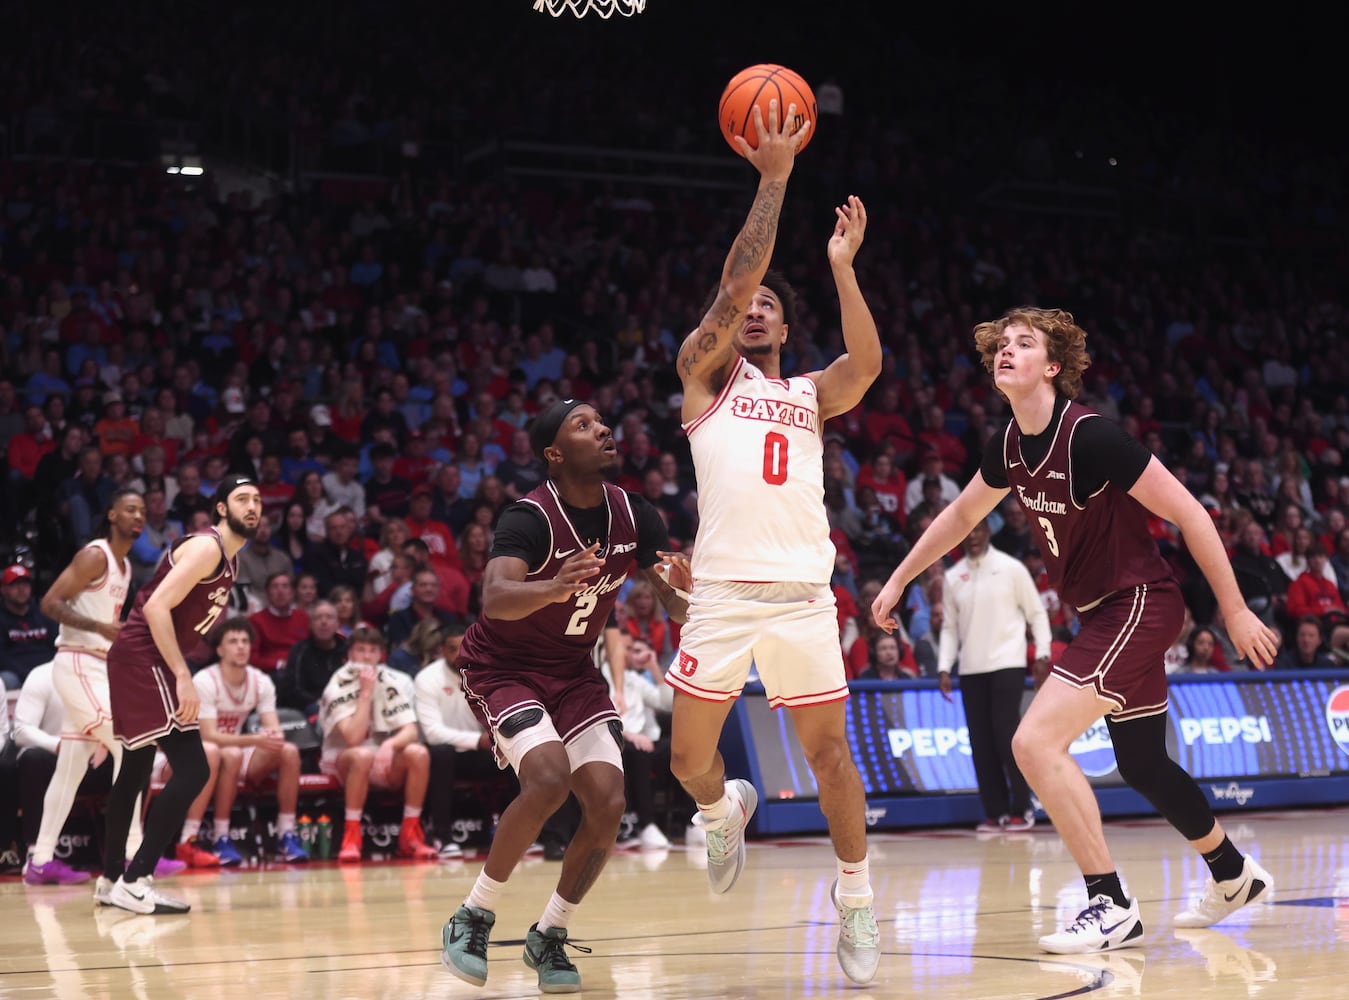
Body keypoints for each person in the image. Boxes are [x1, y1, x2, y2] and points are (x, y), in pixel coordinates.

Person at [872, 306, 1280, 955]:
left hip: (1139, 602)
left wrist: (1231, 610)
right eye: (1000, 345)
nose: (1006, 351)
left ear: (1053, 367)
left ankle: (1109, 903)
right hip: (1102, 613)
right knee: (1141, 762)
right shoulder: (1006, 444)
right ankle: (1231, 874)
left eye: (1023, 344)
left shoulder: (1091, 439)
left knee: (1032, 743)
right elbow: (956, 516)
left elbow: (1192, 514)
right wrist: (897, 579)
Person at [663, 102, 884, 985]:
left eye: (765, 306)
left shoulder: (807, 395)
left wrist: (840, 269)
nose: (750, 309)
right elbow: (730, 285)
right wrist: (774, 179)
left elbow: (864, 367)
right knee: (687, 763)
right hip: (719, 596)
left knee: (830, 756)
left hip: (798, 596)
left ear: (785, 328)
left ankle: (857, 902)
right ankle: (723, 810)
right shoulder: (699, 377)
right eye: (742, 305)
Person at [439, 396, 688, 993]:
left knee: (606, 800)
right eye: (584, 424)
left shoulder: (636, 515)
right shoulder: (528, 518)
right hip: (503, 668)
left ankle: (550, 932)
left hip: (574, 671)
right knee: (548, 778)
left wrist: (690, 593)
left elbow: (677, 600)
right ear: (554, 452)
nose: (602, 428)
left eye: (602, 422)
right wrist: (554, 584)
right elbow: (495, 599)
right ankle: (473, 913)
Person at [99, 474, 262, 915]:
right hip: (144, 658)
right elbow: (154, 607)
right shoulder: (207, 547)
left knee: (134, 769)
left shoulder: (231, 560)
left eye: (257, 500)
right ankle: (136, 879)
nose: (253, 506)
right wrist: (182, 675)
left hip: (140, 658)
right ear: (222, 509)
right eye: (242, 499)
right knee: (193, 769)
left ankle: (111, 878)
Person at [24, 489, 150, 884]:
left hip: (99, 667)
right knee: (131, 747)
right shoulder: (95, 555)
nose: (138, 516)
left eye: (143, 511)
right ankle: (132, 854)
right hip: (77, 662)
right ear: (112, 514)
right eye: (130, 509)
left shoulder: (125, 567)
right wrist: (98, 628)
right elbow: (49, 603)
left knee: (71, 768)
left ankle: (40, 860)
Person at [937, 518, 1052, 833]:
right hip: (971, 668)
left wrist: (1043, 652)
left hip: (1007, 663)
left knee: (1006, 735)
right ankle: (996, 811)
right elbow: (949, 628)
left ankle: (1022, 807)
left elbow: (1037, 613)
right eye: (967, 530)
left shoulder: (1012, 568)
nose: (973, 535)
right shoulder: (952, 577)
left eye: (978, 529)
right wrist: (944, 666)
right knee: (981, 741)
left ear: (988, 532)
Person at [190, 617, 308, 863]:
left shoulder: (261, 681)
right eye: (233, 641)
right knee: (228, 753)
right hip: (199, 752)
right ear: (220, 650)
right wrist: (255, 738)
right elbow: (208, 735)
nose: (241, 646)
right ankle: (219, 836)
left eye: (245, 641)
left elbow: (273, 730)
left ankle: (285, 833)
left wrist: (273, 738)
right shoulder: (204, 680)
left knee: (288, 751)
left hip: (233, 749)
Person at [317, 625, 437, 863]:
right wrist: (365, 693)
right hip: (340, 758)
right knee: (361, 755)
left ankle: (410, 835)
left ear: (380, 655)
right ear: (350, 654)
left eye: (372, 651)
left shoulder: (388, 679)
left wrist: (390, 745)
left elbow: (411, 730)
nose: (366, 656)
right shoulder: (337, 683)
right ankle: (351, 837)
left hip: (376, 755)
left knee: (418, 753)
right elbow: (352, 738)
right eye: (360, 650)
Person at [413, 621, 500, 859]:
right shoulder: (427, 678)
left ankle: (517, 833)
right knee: (442, 753)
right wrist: (477, 740)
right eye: (453, 649)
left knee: (513, 753)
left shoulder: (484, 673)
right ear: (441, 650)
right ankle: (442, 835)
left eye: (465, 647)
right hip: (440, 755)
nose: (460, 654)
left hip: (478, 751)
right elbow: (432, 733)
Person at [276, 599, 349, 715]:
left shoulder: (348, 648)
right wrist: (318, 701)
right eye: (318, 618)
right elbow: (293, 689)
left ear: (337, 623)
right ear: (310, 624)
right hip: (313, 706)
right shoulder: (299, 650)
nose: (323, 622)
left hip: (346, 703)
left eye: (329, 617)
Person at [0, 564, 59, 691]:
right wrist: (28, 674)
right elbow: (3, 657)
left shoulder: (44, 613)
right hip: (17, 674)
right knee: (6, 680)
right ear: (3, 589)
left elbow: (58, 645)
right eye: (15, 585)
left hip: (47, 670)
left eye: (25, 584)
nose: (21, 589)